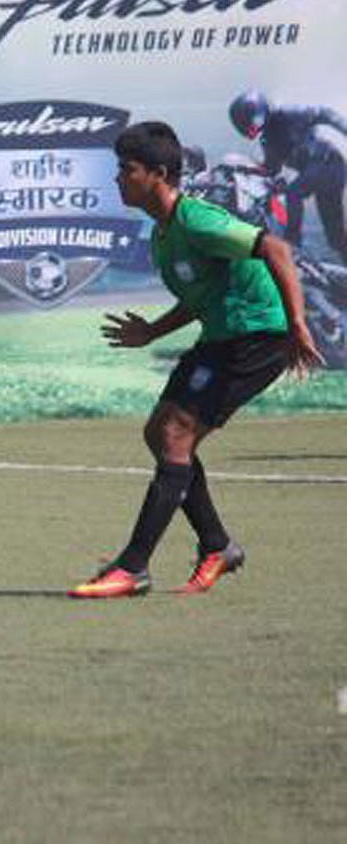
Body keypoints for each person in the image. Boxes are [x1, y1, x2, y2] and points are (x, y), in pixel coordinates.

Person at [69, 121, 323, 598]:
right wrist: (151, 332)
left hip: (257, 336)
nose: (117, 178)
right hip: (222, 337)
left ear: (159, 174)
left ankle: (133, 566)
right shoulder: (163, 235)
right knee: (160, 432)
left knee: (175, 434)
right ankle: (218, 545)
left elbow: (276, 249)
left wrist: (297, 325)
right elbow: (199, 294)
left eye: (127, 170)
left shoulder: (196, 220)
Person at [229, 90, 347, 263]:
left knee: (294, 192)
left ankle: (292, 242)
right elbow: (271, 169)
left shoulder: (288, 113)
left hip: (329, 164)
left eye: (252, 123)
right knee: (335, 237)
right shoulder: (268, 140)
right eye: (247, 127)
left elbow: (325, 113)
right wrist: (243, 168)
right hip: (323, 172)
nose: (252, 129)